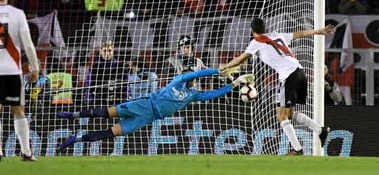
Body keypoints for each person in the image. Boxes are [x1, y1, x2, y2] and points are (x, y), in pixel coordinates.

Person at [56, 67, 250, 152]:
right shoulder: (178, 81)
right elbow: (199, 72)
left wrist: (233, 85)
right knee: (106, 113)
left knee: (111, 133)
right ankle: (72, 115)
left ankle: (76, 139)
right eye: (192, 76)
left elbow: (213, 94)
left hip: (147, 118)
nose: (194, 78)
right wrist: (219, 71)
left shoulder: (193, 95)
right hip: (143, 104)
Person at [219, 18, 335, 155]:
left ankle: (297, 149)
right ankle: (320, 131)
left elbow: (240, 59)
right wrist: (319, 31)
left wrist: (224, 66)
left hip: (289, 76)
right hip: (300, 72)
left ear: (252, 30)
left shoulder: (256, 42)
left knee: (281, 116)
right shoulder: (277, 35)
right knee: (289, 113)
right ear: (265, 28)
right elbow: (300, 33)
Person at [0, 0, 39, 161]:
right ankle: (26, 152)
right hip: (12, 71)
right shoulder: (17, 13)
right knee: (18, 109)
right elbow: (28, 45)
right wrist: (35, 67)